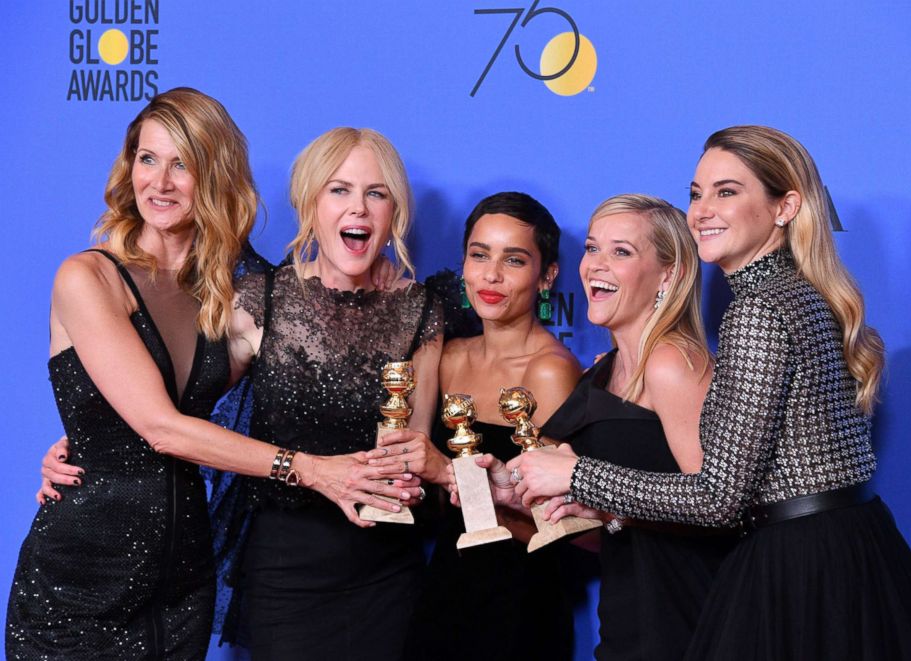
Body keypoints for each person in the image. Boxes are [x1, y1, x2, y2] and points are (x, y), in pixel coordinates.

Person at [509, 126, 911, 659]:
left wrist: (576, 474)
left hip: (798, 571)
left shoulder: (757, 310)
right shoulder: (800, 294)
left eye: (727, 192)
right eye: (696, 193)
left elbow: (719, 500)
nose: (701, 210)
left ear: (784, 207)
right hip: (852, 555)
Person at [6, 89, 412, 660]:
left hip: (182, 584)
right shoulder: (87, 278)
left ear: (215, 176)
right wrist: (312, 471)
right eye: (147, 159)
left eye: (183, 164)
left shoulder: (234, 299)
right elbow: (160, 427)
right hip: (81, 579)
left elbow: (335, 379)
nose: (161, 182)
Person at [210, 127, 445, 659]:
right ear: (310, 203)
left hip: (386, 572)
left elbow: (414, 447)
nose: (358, 208)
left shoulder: (421, 311)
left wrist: (422, 477)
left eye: (376, 193)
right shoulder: (260, 299)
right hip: (285, 572)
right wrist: (94, 442)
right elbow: (180, 417)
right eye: (338, 190)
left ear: (394, 213)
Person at [481, 194, 733, 660]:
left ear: (669, 273)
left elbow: (720, 513)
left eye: (621, 252)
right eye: (593, 248)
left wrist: (581, 480)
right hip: (628, 623)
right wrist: (513, 500)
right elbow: (611, 532)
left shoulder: (673, 363)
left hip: (690, 623)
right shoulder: (604, 370)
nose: (596, 265)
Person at [380, 192, 582, 660]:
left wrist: (443, 472)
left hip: (519, 599)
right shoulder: (449, 357)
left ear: (546, 276)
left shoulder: (549, 371)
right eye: (479, 255)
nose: (491, 275)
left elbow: (552, 525)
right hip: (444, 585)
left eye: (514, 260)